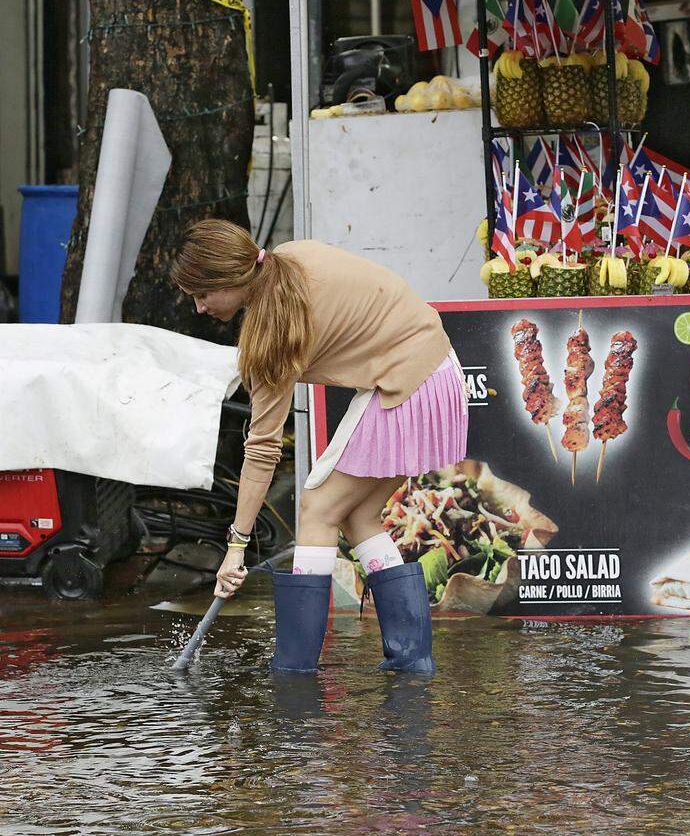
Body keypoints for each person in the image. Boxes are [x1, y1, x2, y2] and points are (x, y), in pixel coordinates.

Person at [172, 221, 468, 675]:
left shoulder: (270, 336)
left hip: (407, 382)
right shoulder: (293, 255)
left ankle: (295, 672)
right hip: (440, 372)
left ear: (227, 281)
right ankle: (411, 662)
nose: (199, 307)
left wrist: (236, 547)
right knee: (358, 515)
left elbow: (263, 450)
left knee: (316, 508)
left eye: (202, 294)